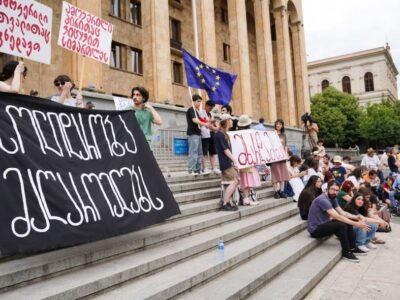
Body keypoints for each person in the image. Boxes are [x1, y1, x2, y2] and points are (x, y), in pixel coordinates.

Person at [308, 180, 371, 262]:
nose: (334, 192)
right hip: (315, 229)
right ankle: (346, 252)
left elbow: (342, 212)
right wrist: (356, 223)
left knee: (346, 222)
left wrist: (356, 216)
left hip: (324, 224)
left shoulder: (333, 198)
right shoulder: (322, 199)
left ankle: (352, 247)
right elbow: (338, 216)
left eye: (337, 190)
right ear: (327, 189)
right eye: (332, 189)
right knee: (341, 225)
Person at [214, 114, 239, 211]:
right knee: (234, 181)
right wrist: (235, 161)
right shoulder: (220, 134)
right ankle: (225, 203)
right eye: (231, 120)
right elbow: (225, 150)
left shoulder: (224, 134)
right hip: (225, 162)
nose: (232, 122)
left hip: (227, 162)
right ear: (227, 121)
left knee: (232, 182)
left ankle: (226, 202)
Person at [237, 115, 261, 205]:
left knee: (247, 181)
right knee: (247, 181)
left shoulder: (241, 134)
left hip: (245, 160)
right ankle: (246, 199)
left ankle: (247, 198)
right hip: (245, 160)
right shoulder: (245, 134)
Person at [187, 94, 209, 175]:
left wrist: (208, 123)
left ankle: (197, 169)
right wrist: (204, 123)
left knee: (200, 152)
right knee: (193, 151)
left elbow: (202, 122)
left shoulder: (196, 112)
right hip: (193, 133)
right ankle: (191, 169)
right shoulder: (191, 110)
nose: (199, 103)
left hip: (198, 134)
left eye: (200, 102)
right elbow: (194, 120)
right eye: (198, 101)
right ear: (193, 102)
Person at [271, 119, 291, 199]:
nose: (278, 125)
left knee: (283, 174)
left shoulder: (283, 135)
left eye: (280, 124)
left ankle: (281, 191)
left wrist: (286, 154)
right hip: (274, 157)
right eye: (277, 124)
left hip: (282, 157)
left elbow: (285, 145)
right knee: (275, 174)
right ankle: (276, 191)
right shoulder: (272, 134)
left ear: (282, 126)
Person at [199, 100, 220, 174]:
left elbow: (211, 123)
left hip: (212, 133)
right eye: (210, 108)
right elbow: (203, 122)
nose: (210, 109)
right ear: (206, 106)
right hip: (205, 134)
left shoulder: (211, 114)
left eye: (212, 108)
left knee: (213, 151)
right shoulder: (201, 112)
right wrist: (211, 121)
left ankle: (213, 167)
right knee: (204, 151)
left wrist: (213, 123)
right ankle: (204, 167)